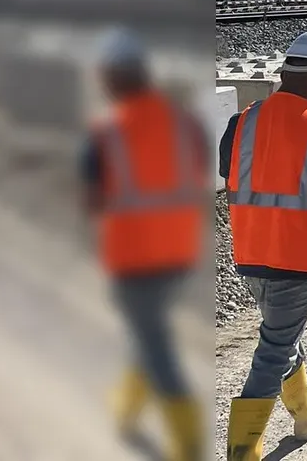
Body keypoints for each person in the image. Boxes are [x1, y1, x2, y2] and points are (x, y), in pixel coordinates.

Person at [222, 30, 307, 461]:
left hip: (250, 256)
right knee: (274, 348)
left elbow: (237, 180)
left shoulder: (240, 122)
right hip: (297, 261)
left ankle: (304, 411)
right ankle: (242, 450)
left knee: (283, 336)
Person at [83, 30, 207, 460]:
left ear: (113, 78)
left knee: (153, 340)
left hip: (133, 257)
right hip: (178, 252)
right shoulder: (184, 121)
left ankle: (188, 442)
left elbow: (93, 200)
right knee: (149, 330)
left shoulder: (106, 131)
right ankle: (129, 412)